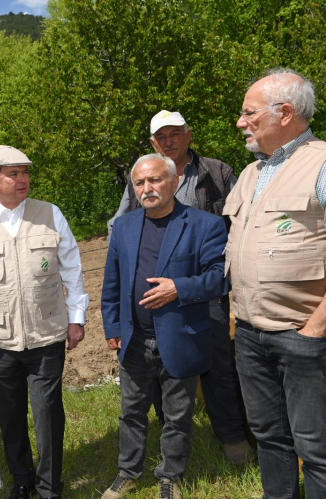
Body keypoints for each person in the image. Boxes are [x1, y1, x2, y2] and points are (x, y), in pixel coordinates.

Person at [107, 110, 252, 464]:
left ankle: (231, 435)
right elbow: (121, 223)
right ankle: (169, 436)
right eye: (161, 137)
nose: (169, 141)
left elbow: (239, 219)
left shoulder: (216, 172)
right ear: (153, 143)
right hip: (154, 295)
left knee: (217, 365)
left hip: (202, 286)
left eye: (175, 134)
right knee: (161, 368)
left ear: (188, 135)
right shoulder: (142, 175)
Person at [0, 145, 89, 499]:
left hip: (47, 334)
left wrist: (76, 317)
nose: (23, 179)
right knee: (9, 413)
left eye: (25, 172)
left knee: (48, 414)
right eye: (13, 174)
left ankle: (49, 486)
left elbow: (72, 269)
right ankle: (23, 480)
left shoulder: (51, 214)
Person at [101, 154, 228, 499]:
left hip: (182, 336)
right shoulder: (124, 227)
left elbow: (220, 278)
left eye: (155, 180)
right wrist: (112, 325)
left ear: (174, 182)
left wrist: (179, 288)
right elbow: (112, 282)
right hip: (134, 338)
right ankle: (128, 472)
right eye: (139, 183)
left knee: (177, 415)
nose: (147, 188)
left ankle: (170, 475)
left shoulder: (204, 225)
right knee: (131, 412)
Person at [226, 67, 326, 498]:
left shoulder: (321, 163)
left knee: (316, 447)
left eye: (249, 113)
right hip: (250, 334)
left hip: (303, 335)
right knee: (269, 436)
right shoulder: (251, 173)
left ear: (285, 113)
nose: (240, 122)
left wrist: (316, 328)